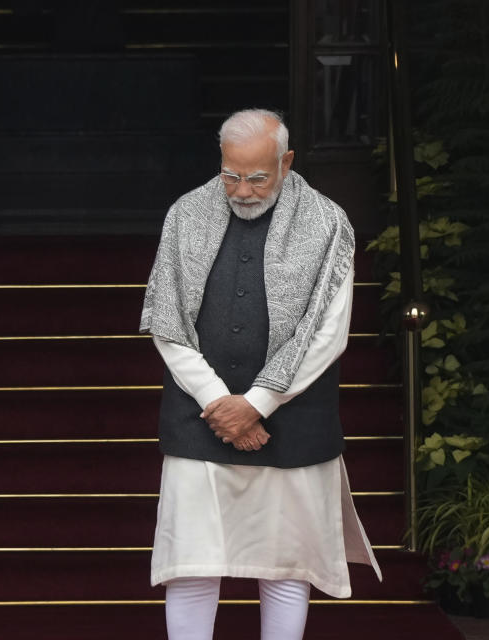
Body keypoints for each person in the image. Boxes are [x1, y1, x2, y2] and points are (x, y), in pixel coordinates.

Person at [140, 109, 382, 640]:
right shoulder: (186, 214)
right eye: (231, 175)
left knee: (286, 567)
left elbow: (328, 333)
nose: (242, 190)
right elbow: (166, 321)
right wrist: (218, 401)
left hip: (293, 420)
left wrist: (257, 404)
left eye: (257, 177)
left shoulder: (327, 221)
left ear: (286, 162)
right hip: (198, 418)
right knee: (192, 564)